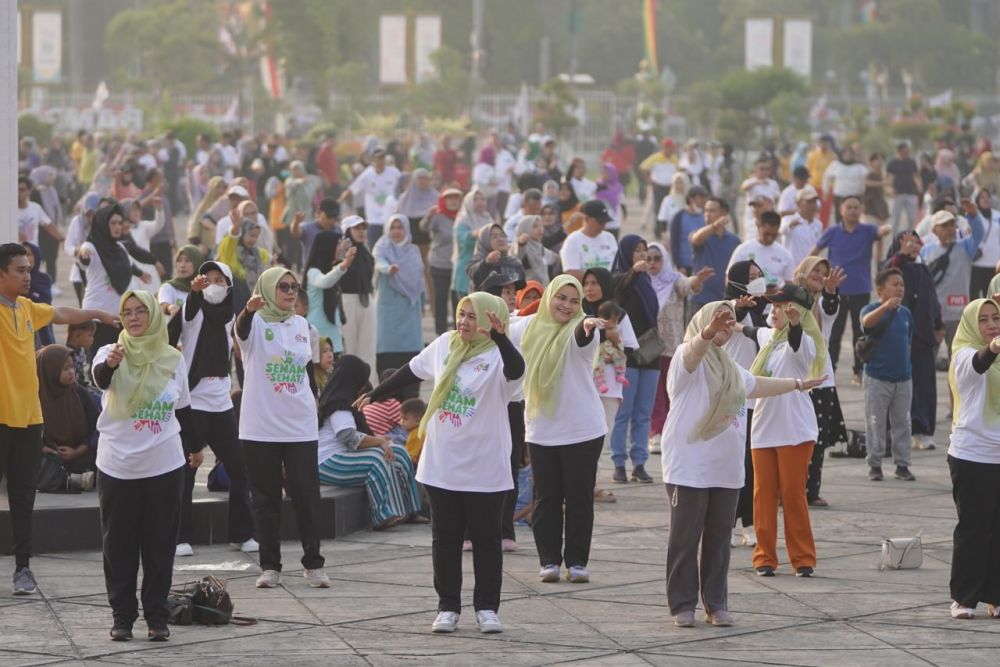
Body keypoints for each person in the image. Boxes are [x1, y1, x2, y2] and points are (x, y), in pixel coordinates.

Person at [357, 292, 524, 634]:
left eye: (471, 316)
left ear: (490, 321)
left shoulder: (498, 356)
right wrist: (377, 391)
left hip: (485, 466)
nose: (463, 322)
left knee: (487, 539)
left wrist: (501, 338)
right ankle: (448, 607)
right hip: (443, 463)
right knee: (445, 538)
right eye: (461, 314)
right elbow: (411, 369)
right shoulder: (446, 344)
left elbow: (517, 371)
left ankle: (487, 609)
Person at [661, 301, 825, 627]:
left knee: (720, 539)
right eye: (717, 319)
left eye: (729, 320)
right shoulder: (685, 358)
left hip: (726, 469)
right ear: (703, 324)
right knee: (685, 537)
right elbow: (695, 352)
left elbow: (757, 385)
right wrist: (708, 332)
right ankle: (682, 604)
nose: (725, 324)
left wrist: (796, 384)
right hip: (689, 468)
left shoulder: (732, 368)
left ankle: (716, 603)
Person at [91, 290, 194, 641]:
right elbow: (100, 379)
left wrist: (196, 449)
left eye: (141, 311)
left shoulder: (173, 358)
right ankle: (122, 618)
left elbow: (182, 408)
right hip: (118, 466)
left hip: (164, 465)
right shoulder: (110, 352)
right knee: (118, 546)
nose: (134, 318)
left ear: (153, 316)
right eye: (127, 312)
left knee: (159, 546)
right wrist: (113, 365)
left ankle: (157, 618)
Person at [235, 267, 329, 589]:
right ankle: (270, 566)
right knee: (266, 499)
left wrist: (315, 406)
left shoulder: (303, 325)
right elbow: (241, 330)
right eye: (283, 287)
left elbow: (306, 370)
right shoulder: (256, 323)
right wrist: (248, 310)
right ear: (268, 290)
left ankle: (313, 563)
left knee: (307, 495)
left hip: (300, 426)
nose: (291, 292)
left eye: (294, 287)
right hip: (260, 427)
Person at [510, 276, 607, 584]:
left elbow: (580, 338)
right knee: (546, 497)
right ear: (549, 297)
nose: (566, 305)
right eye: (561, 298)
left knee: (579, 497)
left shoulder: (585, 331)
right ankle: (549, 560)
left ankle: (577, 562)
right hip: (542, 429)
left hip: (582, 429)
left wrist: (585, 324)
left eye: (573, 300)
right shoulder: (526, 329)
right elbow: (498, 336)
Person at [171, 261, 256, 558]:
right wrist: (194, 293)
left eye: (219, 280)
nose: (213, 285)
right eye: (207, 280)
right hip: (193, 400)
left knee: (239, 467)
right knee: (187, 470)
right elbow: (189, 312)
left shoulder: (229, 316)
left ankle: (242, 533)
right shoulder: (193, 311)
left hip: (220, 398)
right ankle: (180, 536)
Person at [747, 286, 826, 578]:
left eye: (783, 307)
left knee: (793, 495)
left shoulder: (805, 340)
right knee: (762, 494)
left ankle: (803, 558)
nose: (775, 311)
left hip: (794, 430)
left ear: (800, 312)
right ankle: (764, 557)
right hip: (763, 429)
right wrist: (732, 311)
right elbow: (747, 330)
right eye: (775, 307)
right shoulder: (769, 340)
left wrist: (795, 323)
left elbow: (797, 344)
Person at [317, 355, 422, 530]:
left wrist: (382, 441)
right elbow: (349, 438)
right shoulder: (338, 403)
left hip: (343, 456)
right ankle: (382, 515)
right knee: (376, 459)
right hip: (326, 462)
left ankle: (409, 510)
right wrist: (379, 441)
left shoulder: (348, 400)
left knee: (399, 453)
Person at [945, 298, 1000, 620]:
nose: (991, 324)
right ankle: (964, 597)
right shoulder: (963, 355)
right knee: (974, 527)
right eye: (984, 320)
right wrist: (993, 347)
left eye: (995, 318)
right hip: (972, 455)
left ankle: (996, 595)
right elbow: (980, 363)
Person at [811, 196, 892, 383]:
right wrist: (806, 270)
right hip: (835, 290)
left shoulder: (868, 230)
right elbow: (814, 251)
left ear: (861, 209)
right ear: (842, 209)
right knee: (834, 333)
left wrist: (885, 229)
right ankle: (829, 370)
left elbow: (881, 230)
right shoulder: (832, 232)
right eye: (849, 207)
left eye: (856, 207)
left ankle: (859, 371)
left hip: (860, 288)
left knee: (860, 332)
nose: (853, 210)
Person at [793, 257, 849, 508]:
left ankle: (811, 491)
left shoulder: (825, 304)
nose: (819, 274)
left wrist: (830, 291)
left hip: (821, 382)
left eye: (824, 272)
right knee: (793, 438)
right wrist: (800, 289)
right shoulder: (790, 299)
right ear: (803, 271)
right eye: (815, 270)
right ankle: (790, 490)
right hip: (793, 380)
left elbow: (830, 307)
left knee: (817, 440)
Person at [646, 242, 712, 451]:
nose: (652, 263)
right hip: (647, 348)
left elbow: (688, 285)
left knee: (670, 390)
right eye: (648, 259)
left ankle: (671, 430)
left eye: (657, 258)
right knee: (654, 392)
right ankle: (656, 431)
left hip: (671, 346)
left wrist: (697, 280)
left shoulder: (673, 281)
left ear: (664, 260)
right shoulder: (642, 282)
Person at [884, 232, 945, 451]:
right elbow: (886, 274)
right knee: (895, 387)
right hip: (897, 336)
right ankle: (893, 432)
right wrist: (901, 255)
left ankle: (923, 431)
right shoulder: (894, 265)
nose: (912, 245)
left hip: (923, 336)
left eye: (915, 241)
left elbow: (932, 297)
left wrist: (938, 324)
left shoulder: (923, 267)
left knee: (924, 385)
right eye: (906, 241)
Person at [609, 235, 660, 483]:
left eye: (645, 250)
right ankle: (619, 462)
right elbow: (616, 293)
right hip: (627, 354)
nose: (642, 255)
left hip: (649, 352)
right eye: (637, 250)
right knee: (623, 411)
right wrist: (633, 272)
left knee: (643, 412)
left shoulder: (646, 280)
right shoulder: (618, 278)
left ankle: (639, 462)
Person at [860, 268, 916, 482]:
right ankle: (875, 464)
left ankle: (902, 465)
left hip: (903, 379)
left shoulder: (906, 313)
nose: (900, 288)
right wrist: (885, 307)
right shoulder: (871, 308)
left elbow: (908, 343)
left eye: (902, 284)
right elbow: (866, 323)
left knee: (903, 422)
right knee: (875, 422)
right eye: (895, 284)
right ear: (880, 289)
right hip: (877, 377)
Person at [921, 201, 985, 365]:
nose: (950, 228)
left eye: (952, 225)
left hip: (957, 315)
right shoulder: (926, 250)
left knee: (957, 364)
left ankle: (954, 392)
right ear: (935, 230)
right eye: (944, 225)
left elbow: (979, 232)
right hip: (933, 315)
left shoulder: (965, 247)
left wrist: (973, 215)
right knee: (926, 362)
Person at [374, 214, 425, 379]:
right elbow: (379, 262)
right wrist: (389, 269)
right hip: (388, 307)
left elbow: (419, 279)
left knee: (410, 355)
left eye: (400, 227)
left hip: (409, 307)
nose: (396, 231)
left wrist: (423, 304)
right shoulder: (381, 247)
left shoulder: (413, 250)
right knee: (387, 350)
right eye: (393, 227)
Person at [36, 345, 98, 480]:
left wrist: (77, 451)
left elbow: (96, 428)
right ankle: (73, 479)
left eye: (72, 367)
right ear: (50, 370)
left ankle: (67, 478)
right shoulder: (34, 398)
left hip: (80, 452)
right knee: (32, 459)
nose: (71, 372)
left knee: (101, 458)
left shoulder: (80, 393)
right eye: (65, 369)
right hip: (49, 454)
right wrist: (44, 449)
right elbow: (26, 434)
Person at [338, 216, 378, 384]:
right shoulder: (341, 253)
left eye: (363, 228)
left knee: (367, 347)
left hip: (366, 301)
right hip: (347, 301)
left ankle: (368, 388)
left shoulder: (366, 253)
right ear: (348, 231)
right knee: (349, 347)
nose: (361, 231)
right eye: (357, 228)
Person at [421, 187, 462, 334]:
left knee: (458, 300)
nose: (453, 201)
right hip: (439, 264)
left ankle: (460, 332)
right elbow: (424, 227)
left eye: (456, 198)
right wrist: (428, 217)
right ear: (444, 201)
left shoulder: (463, 216)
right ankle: (441, 332)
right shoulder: (438, 216)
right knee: (441, 299)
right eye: (449, 198)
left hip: (458, 265)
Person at [339, 149, 401, 247]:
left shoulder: (394, 172)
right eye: (378, 158)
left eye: (382, 157)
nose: (380, 160)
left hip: (391, 220)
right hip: (374, 220)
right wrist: (338, 203)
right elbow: (352, 190)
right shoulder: (368, 174)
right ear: (373, 159)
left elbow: (405, 187)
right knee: (374, 249)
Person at [690, 198, 741, 309]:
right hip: (700, 299)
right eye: (706, 210)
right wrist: (714, 226)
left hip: (724, 301)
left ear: (724, 214)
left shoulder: (734, 241)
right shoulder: (700, 235)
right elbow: (696, 239)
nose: (707, 214)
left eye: (712, 210)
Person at [728, 211, 795, 286]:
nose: (770, 238)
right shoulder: (743, 250)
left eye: (774, 235)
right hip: (748, 296)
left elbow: (789, 283)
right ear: (759, 227)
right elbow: (729, 278)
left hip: (776, 296)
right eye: (766, 234)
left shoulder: (785, 254)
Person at [559, 200, 619, 281]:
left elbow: (617, 264)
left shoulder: (609, 237)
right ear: (586, 219)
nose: (603, 225)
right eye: (600, 222)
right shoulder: (572, 241)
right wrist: (599, 282)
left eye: (605, 222)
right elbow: (572, 271)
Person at [451, 190, 493, 301]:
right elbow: (461, 238)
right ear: (468, 202)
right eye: (476, 199)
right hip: (467, 266)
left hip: (485, 268)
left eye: (482, 199)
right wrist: (473, 234)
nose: (480, 202)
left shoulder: (488, 218)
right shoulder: (464, 220)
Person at [467, 223, 527, 292]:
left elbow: (521, 286)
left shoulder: (513, 262)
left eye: (502, 235)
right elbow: (475, 276)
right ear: (484, 240)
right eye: (494, 237)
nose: (500, 239)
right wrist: (487, 263)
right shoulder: (478, 264)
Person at [669, 185, 709, 275]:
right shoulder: (679, 217)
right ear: (691, 199)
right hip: (685, 266)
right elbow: (674, 243)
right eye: (701, 197)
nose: (704, 201)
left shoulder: (706, 216)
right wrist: (679, 265)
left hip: (702, 265)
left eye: (705, 197)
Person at [780, 185, 824, 267]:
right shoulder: (788, 220)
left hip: (811, 270)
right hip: (792, 270)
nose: (812, 205)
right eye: (809, 202)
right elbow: (781, 231)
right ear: (798, 204)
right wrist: (789, 225)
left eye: (814, 202)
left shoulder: (818, 224)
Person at [822, 147, 868, 224]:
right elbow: (826, 176)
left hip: (855, 196)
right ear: (842, 154)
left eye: (850, 154)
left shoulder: (859, 166)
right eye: (845, 154)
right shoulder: (836, 164)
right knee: (839, 219)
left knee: (854, 219)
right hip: (840, 196)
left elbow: (868, 176)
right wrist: (825, 190)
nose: (848, 156)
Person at [291, 197, 341, 264]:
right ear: (319, 212)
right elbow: (296, 233)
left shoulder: (338, 230)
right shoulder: (308, 228)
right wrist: (296, 222)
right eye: (329, 216)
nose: (332, 220)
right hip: (311, 271)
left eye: (334, 217)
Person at [887, 143, 923, 234]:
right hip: (898, 193)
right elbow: (888, 177)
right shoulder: (893, 163)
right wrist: (890, 188)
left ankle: (910, 235)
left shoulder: (911, 162)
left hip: (911, 192)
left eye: (907, 151)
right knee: (896, 218)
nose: (906, 153)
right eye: (904, 151)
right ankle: (894, 238)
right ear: (899, 151)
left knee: (912, 217)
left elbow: (915, 175)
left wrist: (919, 185)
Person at [512, 214, 556, 287]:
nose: (540, 229)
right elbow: (517, 255)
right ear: (525, 229)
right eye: (535, 226)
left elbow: (553, 258)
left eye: (540, 225)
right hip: (528, 290)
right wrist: (521, 244)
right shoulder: (519, 245)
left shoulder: (540, 247)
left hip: (543, 288)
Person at [157, 245, 202, 315]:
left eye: (187, 261)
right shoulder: (168, 287)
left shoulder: (205, 288)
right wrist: (170, 307)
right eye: (179, 261)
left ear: (197, 263)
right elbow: (163, 305)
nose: (182, 265)